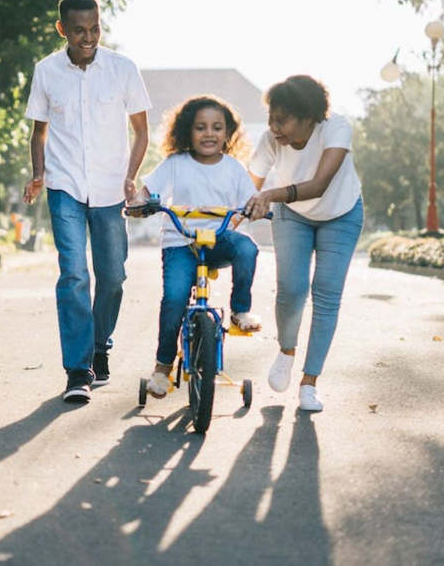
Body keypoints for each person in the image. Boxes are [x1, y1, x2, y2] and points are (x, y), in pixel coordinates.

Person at [23, 0, 151, 403]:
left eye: (94, 28)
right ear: (62, 29)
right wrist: (39, 174)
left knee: (112, 277)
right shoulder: (46, 71)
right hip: (64, 187)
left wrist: (131, 177)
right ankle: (77, 370)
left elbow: (141, 131)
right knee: (75, 274)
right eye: (78, 30)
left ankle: (100, 347)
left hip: (111, 189)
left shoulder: (123, 69)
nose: (88, 37)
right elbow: (39, 131)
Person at [129, 95, 262, 398]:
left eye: (217, 127)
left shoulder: (234, 168)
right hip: (181, 242)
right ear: (188, 131)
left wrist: (255, 208)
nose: (209, 133)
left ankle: (240, 310)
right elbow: (147, 191)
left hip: (218, 240)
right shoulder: (175, 164)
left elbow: (249, 200)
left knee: (247, 249)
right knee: (175, 299)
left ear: (228, 134)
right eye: (200, 127)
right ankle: (162, 368)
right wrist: (139, 202)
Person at [245, 75, 363, 412]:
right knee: (292, 289)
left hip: (341, 213)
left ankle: (310, 383)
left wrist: (270, 194)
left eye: (282, 119)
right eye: (271, 118)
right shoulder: (271, 140)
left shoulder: (335, 129)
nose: (274, 127)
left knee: (326, 293)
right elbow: (247, 186)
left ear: (308, 116)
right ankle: (286, 351)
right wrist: (232, 214)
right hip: (293, 216)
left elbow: (320, 184)